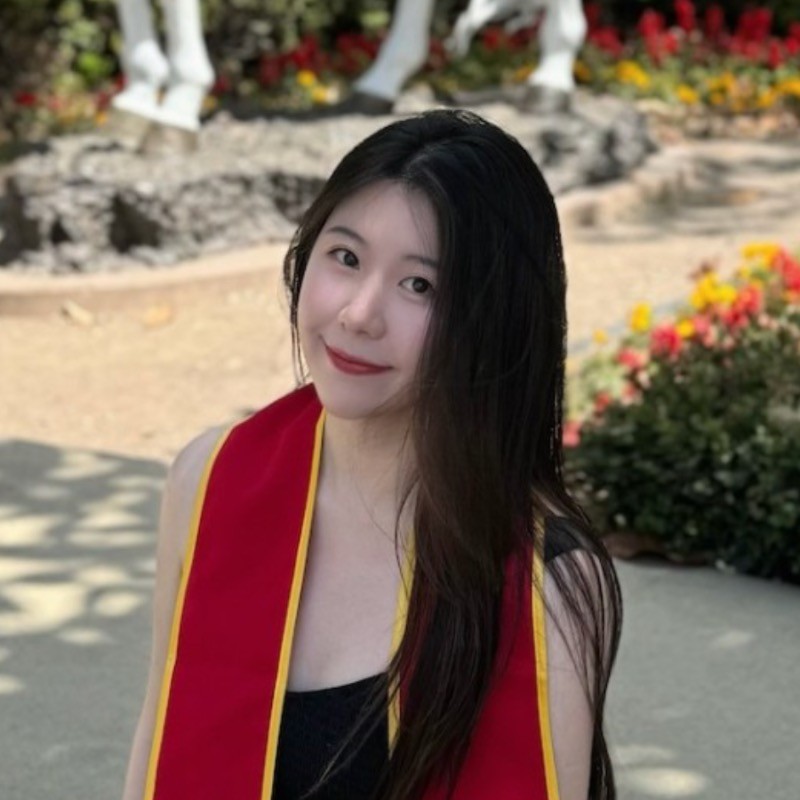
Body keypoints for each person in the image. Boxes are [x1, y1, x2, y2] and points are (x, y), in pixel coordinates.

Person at [121, 109, 622, 800]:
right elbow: (156, 742)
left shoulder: (546, 584)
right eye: (346, 257)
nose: (359, 313)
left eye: (420, 285)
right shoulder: (208, 483)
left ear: (495, 320)